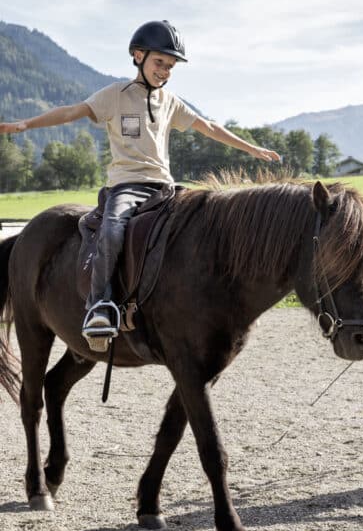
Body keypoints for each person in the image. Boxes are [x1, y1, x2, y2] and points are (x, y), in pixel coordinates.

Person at [0, 20, 280, 352]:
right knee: (113, 228)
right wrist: (25, 124)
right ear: (138, 55)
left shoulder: (170, 101)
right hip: (126, 188)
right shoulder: (114, 96)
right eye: (160, 62)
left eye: (171, 66)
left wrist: (251, 148)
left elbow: (208, 126)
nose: (165, 71)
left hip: (166, 188)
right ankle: (99, 305)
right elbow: (70, 112)